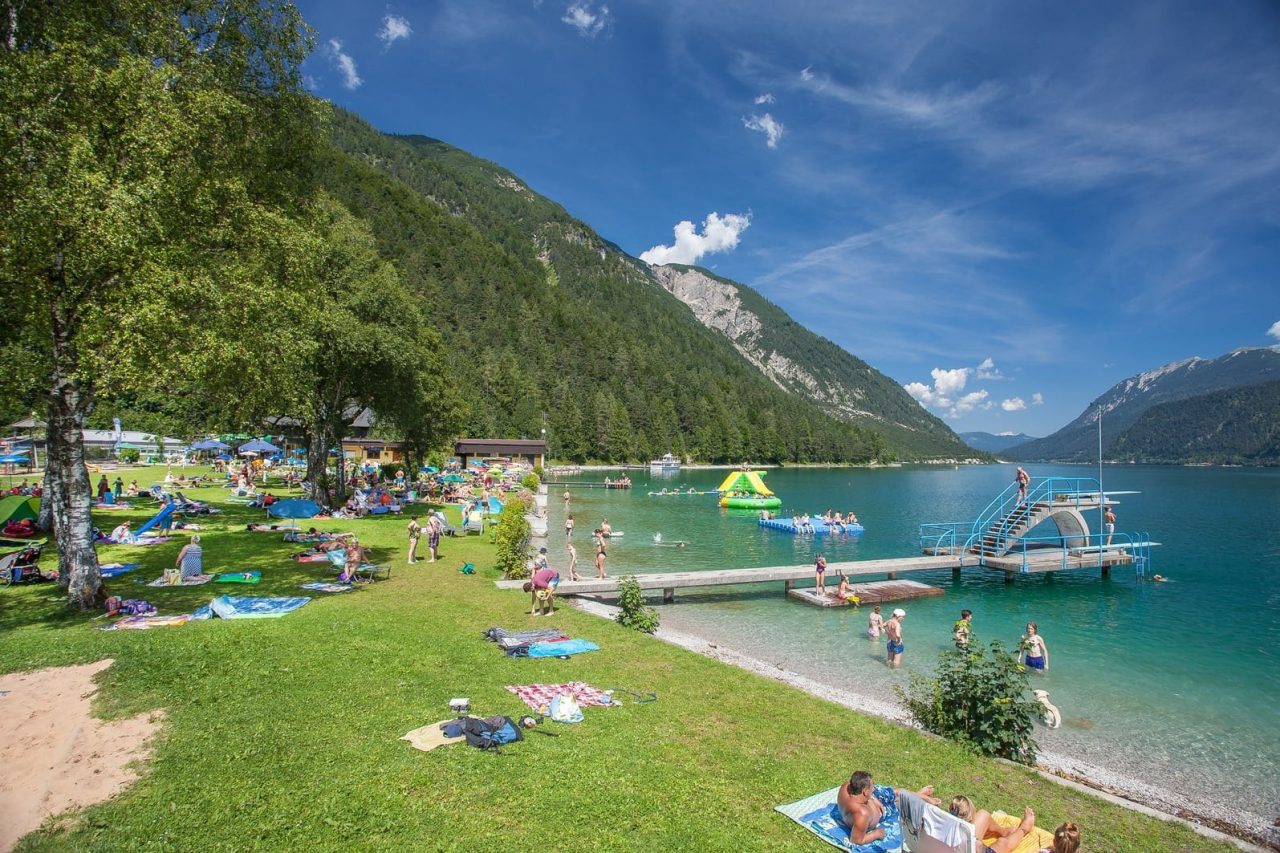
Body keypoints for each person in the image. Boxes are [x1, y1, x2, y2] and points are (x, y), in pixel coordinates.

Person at [835, 771, 939, 847]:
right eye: (872, 787)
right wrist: (876, 834)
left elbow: (863, 795)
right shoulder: (862, 814)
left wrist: (872, 798)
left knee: (896, 792)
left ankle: (919, 795)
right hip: (882, 811)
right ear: (865, 791)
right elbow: (856, 840)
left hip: (871, 799)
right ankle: (919, 796)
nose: (873, 788)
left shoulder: (845, 788)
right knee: (899, 802)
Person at [948, 795, 1035, 853]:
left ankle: (1004, 832)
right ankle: (1024, 828)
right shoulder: (973, 843)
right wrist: (979, 843)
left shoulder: (941, 823)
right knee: (1003, 843)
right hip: (967, 848)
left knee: (983, 815)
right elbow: (978, 849)